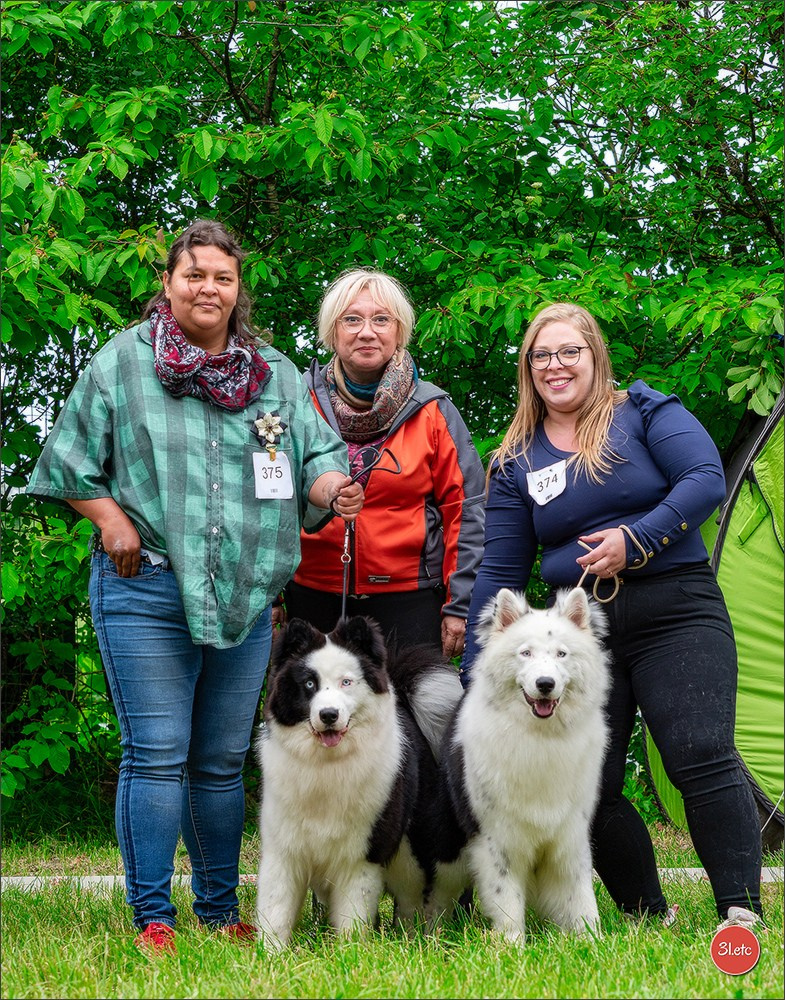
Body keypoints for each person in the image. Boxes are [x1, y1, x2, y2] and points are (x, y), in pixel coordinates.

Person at [26, 219, 363, 954]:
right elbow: (67, 459)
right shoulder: (122, 363)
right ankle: (153, 917)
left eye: (222, 277)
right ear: (170, 281)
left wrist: (334, 485)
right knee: (156, 751)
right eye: (194, 274)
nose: (207, 288)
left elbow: (319, 457)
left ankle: (217, 909)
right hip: (144, 586)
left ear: (237, 289)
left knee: (217, 760)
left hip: (244, 597)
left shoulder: (272, 373)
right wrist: (108, 516)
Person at [461, 301, 764, 932]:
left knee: (698, 751)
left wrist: (638, 538)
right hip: (577, 636)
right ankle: (649, 914)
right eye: (541, 355)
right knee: (584, 787)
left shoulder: (645, 412)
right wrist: (475, 673)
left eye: (570, 351)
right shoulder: (515, 459)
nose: (556, 365)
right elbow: (501, 571)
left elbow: (706, 478)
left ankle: (740, 909)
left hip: (675, 607)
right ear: (527, 369)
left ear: (596, 356)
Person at [281, 267, 485, 661]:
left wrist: (461, 606)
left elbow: (467, 508)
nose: (367, 332)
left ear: (399, 330)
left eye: (381, 319)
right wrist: (272, 594)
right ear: (331, 331)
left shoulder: (434, 410)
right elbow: (270, 499)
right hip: (311, 597)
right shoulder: (295, 405)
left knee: (418, 718)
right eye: (352, 319)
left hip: (410, 601)